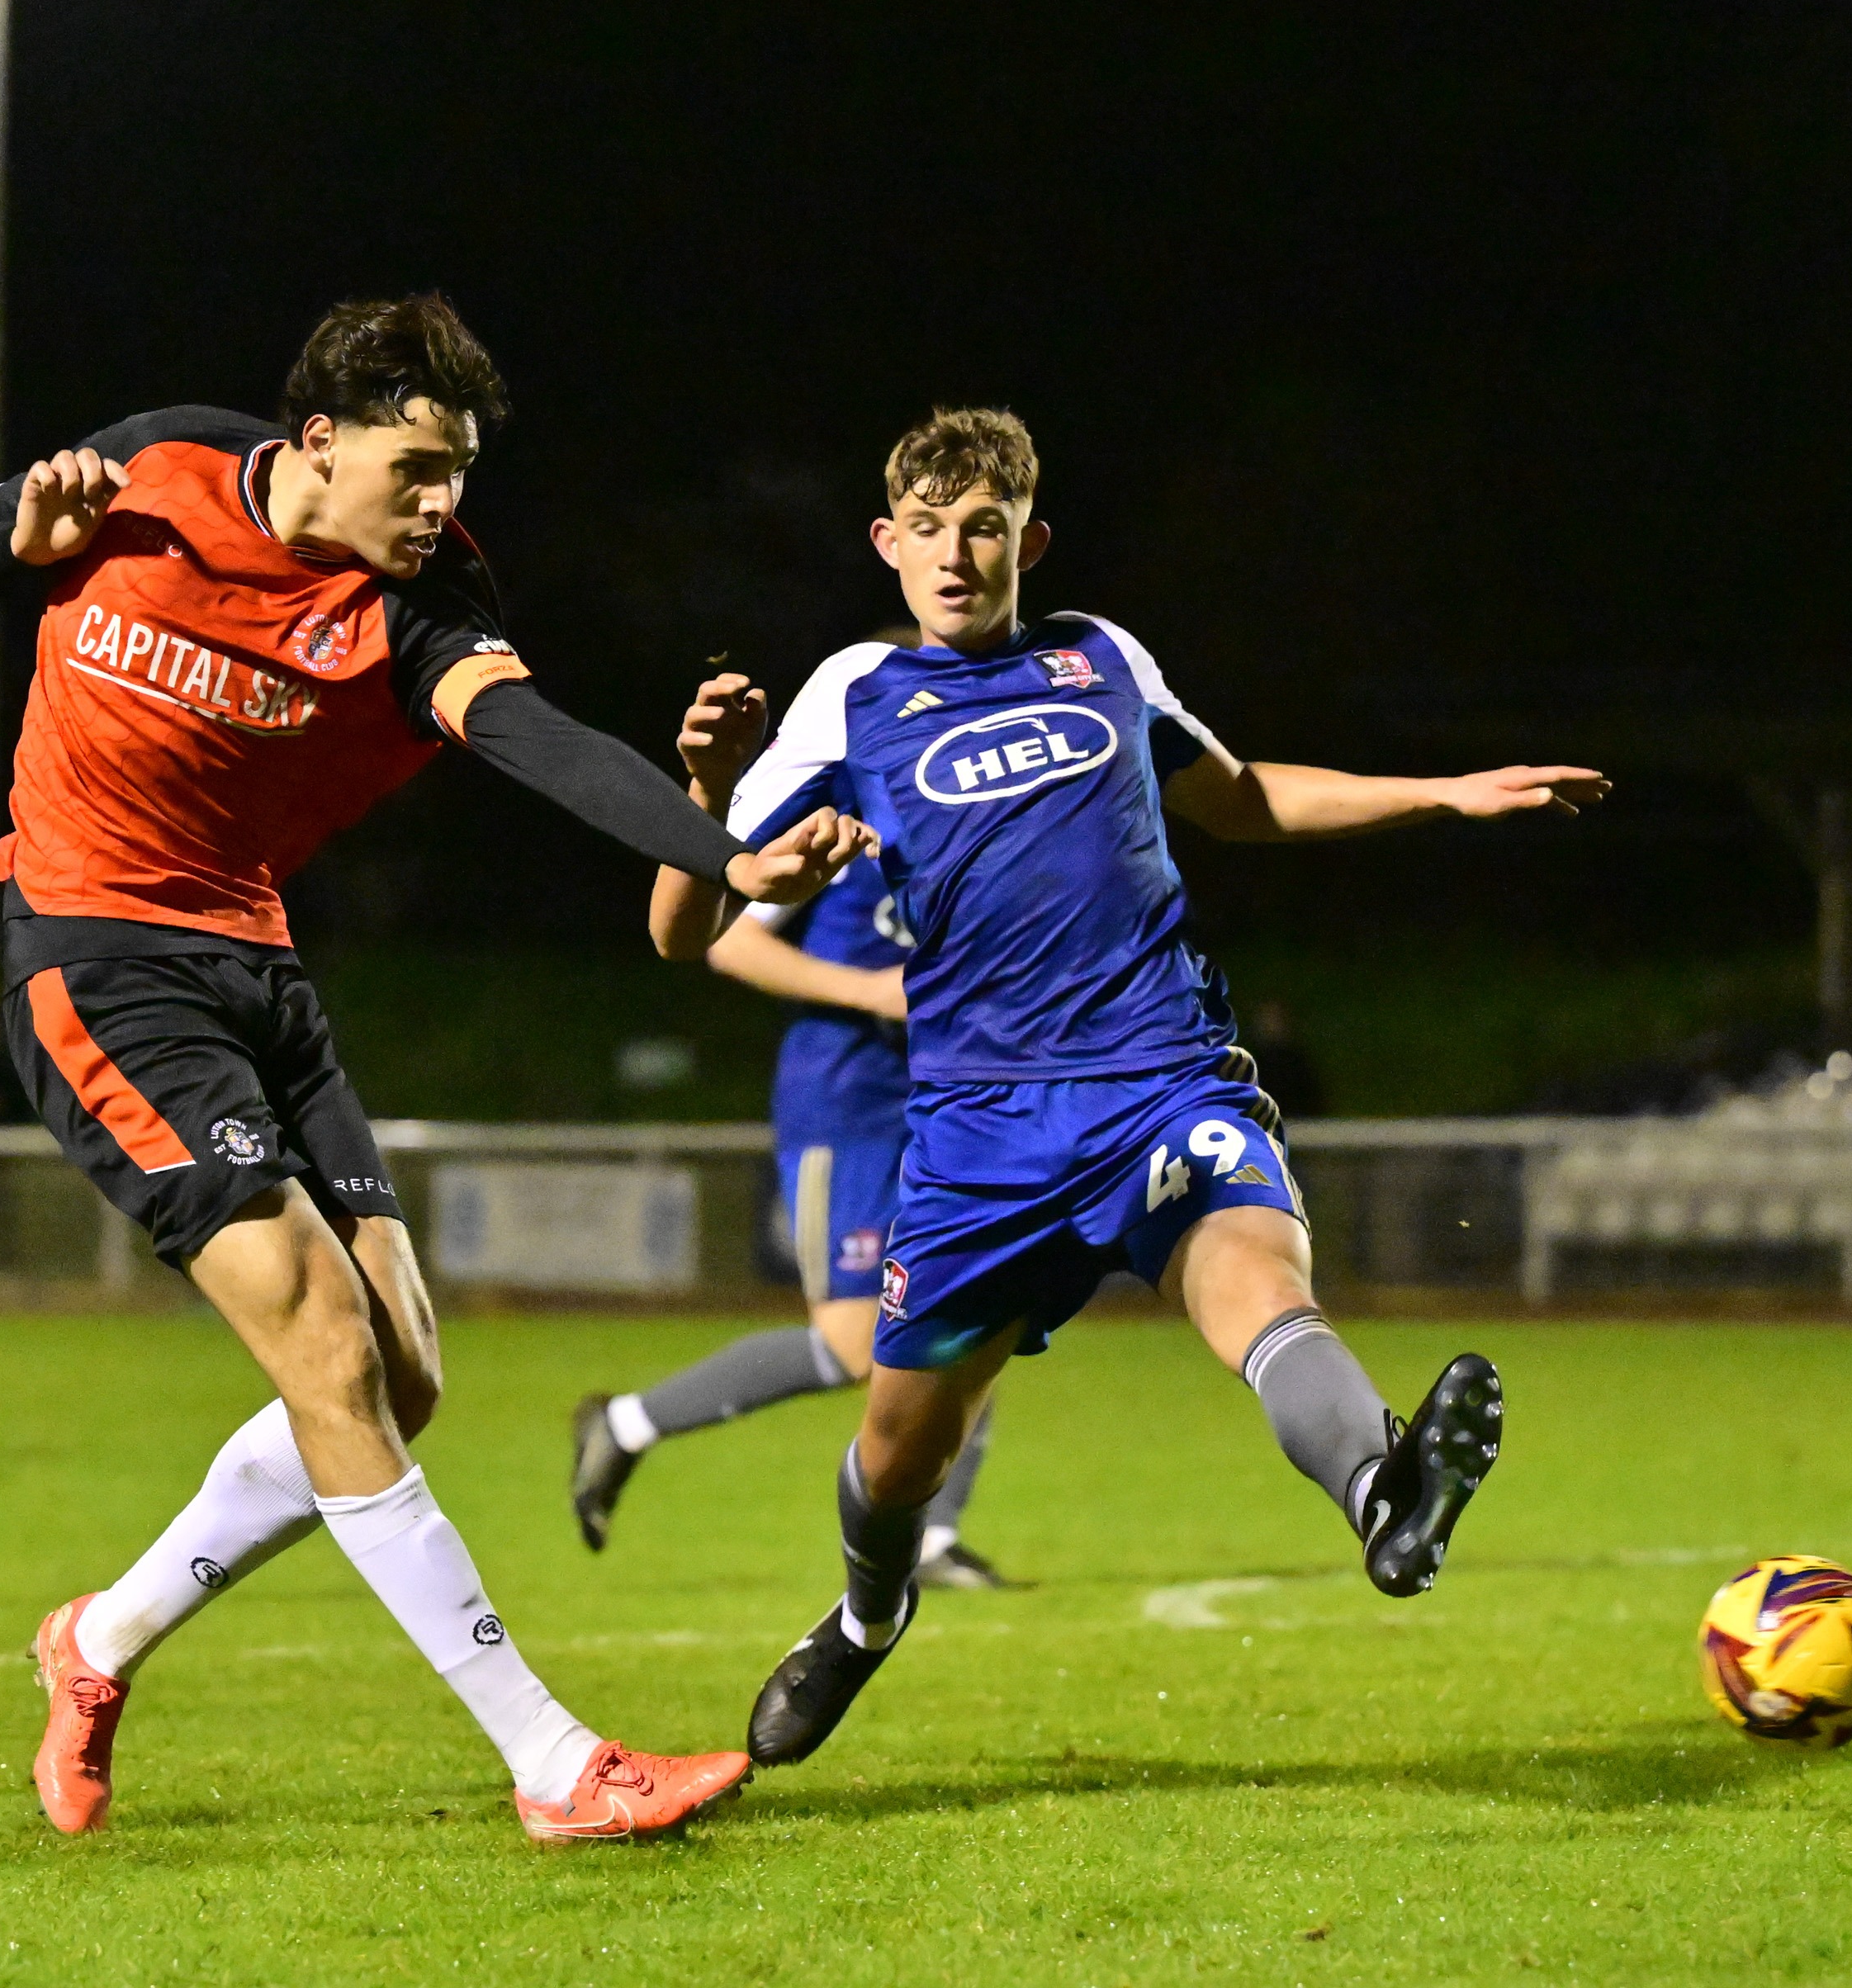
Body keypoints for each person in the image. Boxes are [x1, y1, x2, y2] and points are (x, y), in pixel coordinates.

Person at [0, 293, 872, 1845]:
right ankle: (556, 1759)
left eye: (461, 473)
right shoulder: (155, 464)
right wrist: (18, 531)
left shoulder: (424, 606)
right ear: (318, 441)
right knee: (320, 1338)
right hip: (95, 954)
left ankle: (95, 1640)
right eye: (418, 467)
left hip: (259, 965)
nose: (444, 503)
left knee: (395, 1376)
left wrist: (727, 849)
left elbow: (545, 743)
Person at [644, 408, 1606, 1767]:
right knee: (897, 1448)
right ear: (887, 542)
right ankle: (866, 1616)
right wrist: (709, 788)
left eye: (984, 525)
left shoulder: (1102, 657)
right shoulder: (850, 693)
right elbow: (679, 929)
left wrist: (1443, 795)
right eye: (927, 527)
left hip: (1161, 1072)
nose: (956, 552)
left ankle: (1385, 1485)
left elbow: (1243, 795)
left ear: (1029, 538)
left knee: (1261, 1280)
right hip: (981, 1125)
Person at [566, 785, 1016, 1590]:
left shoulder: (1001, 830)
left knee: (981, 1305)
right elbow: (731, 944)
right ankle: (627, 1423)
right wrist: (872, 990)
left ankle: (933, 1540)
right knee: (852, 1342)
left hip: (953, 1097)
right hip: (848, 1106)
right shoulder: (847, 823)